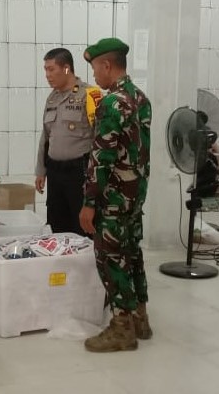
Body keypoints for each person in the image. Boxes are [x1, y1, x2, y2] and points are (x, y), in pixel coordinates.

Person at [78, 38, 152, 352]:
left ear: (107, 65)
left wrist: (89, 203)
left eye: (95, 68)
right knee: (132, 254)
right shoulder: (140, 98)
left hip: (113, 198)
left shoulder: (111, 103)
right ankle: (139, 318)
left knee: (111, 259)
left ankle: (122, 327)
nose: (94, 75)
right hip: (135, 195)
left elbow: (102, 158)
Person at [35, 48, 102, 235]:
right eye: (45, 70)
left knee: (80, 228)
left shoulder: (90, 95)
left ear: (66, 69)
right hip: (55, 172)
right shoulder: (52, 98)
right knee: (57, 226)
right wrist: (41, 170)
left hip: (78, 173)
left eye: (51, 69)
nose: (47, 75)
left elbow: (100, 139)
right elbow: (46, 136)